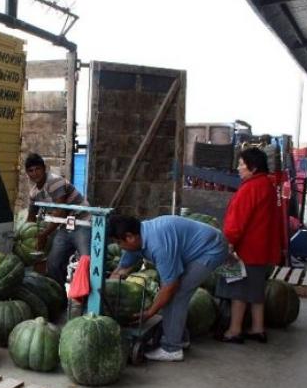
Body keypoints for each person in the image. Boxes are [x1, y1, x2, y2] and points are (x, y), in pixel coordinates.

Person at [109, 214, 228, 362]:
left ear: (130, 237)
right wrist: (108, 289)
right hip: (199, 244)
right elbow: (122, 269)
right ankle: (181, 338)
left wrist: (149, 313)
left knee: (177, 294)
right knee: (174, 294)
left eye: (118, 243)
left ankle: (172, 348)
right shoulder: (138, 237)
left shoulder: (158, 246)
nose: (119, 247)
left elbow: (170, 286)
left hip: (211, 249)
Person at [216, 148, 283, 343]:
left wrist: (228, 243)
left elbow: (237, 222)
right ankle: (257, 328)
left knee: (239, 291)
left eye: (241, 164)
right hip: (261, 248)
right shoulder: (267, 185)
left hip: (245, 250)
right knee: (256, 291)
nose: (238, 168)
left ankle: (234, 331)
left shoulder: (250, 188)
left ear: (252, 168)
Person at [25, 153, 90, 287]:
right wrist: (26, 237)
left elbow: (60, 212)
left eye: (37, 169)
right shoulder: (34, 193)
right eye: (31, 170)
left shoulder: (54, 181)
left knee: (87, 262)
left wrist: (44, 235)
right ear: (27, 173)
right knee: (54, 263)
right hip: (65, 227)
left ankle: (87, 303)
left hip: (82, 222)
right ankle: (60, 296)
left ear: (44, 168)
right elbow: (30, 218)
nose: (35, 173)